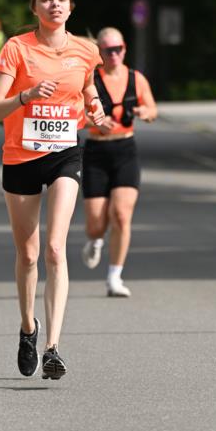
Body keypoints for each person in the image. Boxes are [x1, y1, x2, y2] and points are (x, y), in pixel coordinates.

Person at [0, 0, 105, 380]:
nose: (54, 5)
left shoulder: (86, 51)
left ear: (72, 7)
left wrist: (96, 109)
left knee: (55, 248)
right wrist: (25, 97)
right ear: (34, 8)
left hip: (65, 154)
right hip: (21, 157)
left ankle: (53, 347)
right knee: (29, 254)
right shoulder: (17, 49)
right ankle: (27, 328)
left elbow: (89, 91)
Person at [81, 27, 158, 296]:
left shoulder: (136, 79)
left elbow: (152, 109)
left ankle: (115, 277)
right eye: (108, 50)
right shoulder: (90, 79)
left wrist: (143, 111)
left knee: (122, 216)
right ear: (99, 52)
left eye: (118, 49)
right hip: (95, 152)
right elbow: (76, 114)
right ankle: (95, 240)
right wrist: (96, 122)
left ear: (125, 49)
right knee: (96, 224)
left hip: (125, 149)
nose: (114, 55)